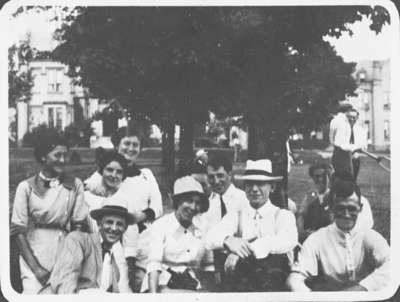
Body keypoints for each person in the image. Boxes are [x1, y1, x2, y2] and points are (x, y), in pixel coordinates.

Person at [85, 127, 163, 291]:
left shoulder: (146, 175)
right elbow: (85, 191)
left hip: (142, 239)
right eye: (127, 143)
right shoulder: (108, 174)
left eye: (136, 145)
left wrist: (137, 217)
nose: (131, 148)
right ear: (117, 145)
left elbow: (158, 207)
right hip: (113, 235)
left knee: (141, 283)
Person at [11, 134, 89, 294]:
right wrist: (37, 268)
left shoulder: (75, 185)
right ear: (43, 157)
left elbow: (78, 227)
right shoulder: (25, 187)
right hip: (35, 250)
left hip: (65, 249)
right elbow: (18, 231)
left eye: (65, 155)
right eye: (57, 155)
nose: (62, 160)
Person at [205, 159, 298, 291]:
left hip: (275, 287)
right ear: (244, 187)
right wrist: (228, 240)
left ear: (272, 187)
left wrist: (242, 250)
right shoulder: (236, 215)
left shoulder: (283, 216)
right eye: (250, 184)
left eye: (261, 184)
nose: (254, 189)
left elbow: (287, 240)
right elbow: (210, 238)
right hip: (243, 286)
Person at [287, 178, 390, 292]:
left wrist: (361, 289)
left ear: (360, 208)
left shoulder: (370, 237)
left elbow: (393, 264)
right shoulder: (317, 239)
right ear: (331, 208)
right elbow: (295, 277)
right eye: (340, 208)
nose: (346, 215)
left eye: (352, 209)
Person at [49, 201, 135, 293]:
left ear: (125, 228)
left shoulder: (115, 262)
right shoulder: (79, 241)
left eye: (119, 224)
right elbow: (65, 284)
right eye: (109, 222)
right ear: (99, 224)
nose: (114, 228)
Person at [143, 176, 209, 293]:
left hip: (188, 283)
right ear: (177, 201)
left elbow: (202, 265)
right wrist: (153, 297)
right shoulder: (161, 225)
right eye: (189, 201)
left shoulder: (200, 228)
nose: (193, 207)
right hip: (161, 283)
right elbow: (154, 263)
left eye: (197, 203)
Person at [196, 155, 248, 290]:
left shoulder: (243, 199)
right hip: (211, 269)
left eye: (220, 175)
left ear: (230, 174)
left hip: (240, 265)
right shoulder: (207, 205)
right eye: (211, 177)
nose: (216, 181)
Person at [298, 165, 373, 242]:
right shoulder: (330, 198)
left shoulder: (358, 200)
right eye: (333, 185)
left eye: (339, 185)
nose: (334, 188)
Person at [331, 107, 367, 181]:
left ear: (357, 118)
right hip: (342, 159)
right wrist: (355, 147)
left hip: (355, 159)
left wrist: (361, 147)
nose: (352, 119)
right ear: (346, 117)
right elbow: (341, 144)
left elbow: (364, 144)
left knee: (353, 181)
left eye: (354, 117)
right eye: (349, 117)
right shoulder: (341, 128)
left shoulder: (360, 130)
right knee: (341, 181)